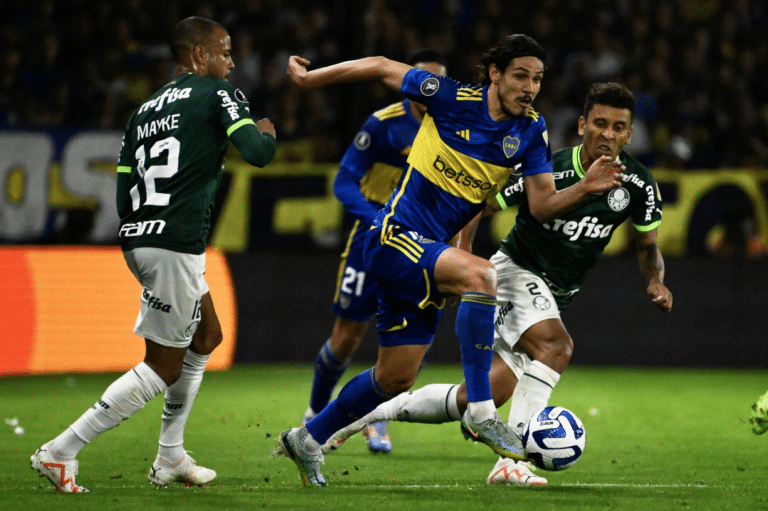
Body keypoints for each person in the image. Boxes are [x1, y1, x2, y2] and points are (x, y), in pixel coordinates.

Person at [276, 35, 626, 487]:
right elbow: (382, 65)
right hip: (393, 238)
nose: (530, 87)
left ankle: (307, 439)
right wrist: (310, 79)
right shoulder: (449, 96)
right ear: (495, 74)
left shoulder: (530, 131)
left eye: (537, 79)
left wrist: (585, 187)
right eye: (521, 75)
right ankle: (481, 411)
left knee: (394, 377)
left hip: (426, 258)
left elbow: (541, 205)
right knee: (482, 274)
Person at [322, 82, 673, 486]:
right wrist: (464, 257)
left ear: (629, 134)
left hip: (552, 297)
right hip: (515, 272)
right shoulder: (548, 168)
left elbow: (648, 245)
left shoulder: (640, 185)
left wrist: (656, 280)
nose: (607, 134)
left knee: (477, 399)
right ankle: (513, 463)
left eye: (618, 127)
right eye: (599, 123)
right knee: (556, 346)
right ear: (581, 126)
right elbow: (481, 204)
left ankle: (365, 414)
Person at [30, 16, 276, 493]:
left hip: (141, 238)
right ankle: (61, 451)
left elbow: (122, 194)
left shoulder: (143, 110)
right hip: (175, 243)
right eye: (224, 52)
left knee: (206, 335)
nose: (232, 61)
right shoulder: (217, 94)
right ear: (199, 56)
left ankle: (170, 454)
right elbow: (257, 153)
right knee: (163, 366)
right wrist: (264, 130)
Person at [303, 50, 447, 455]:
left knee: (400, 343)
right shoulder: (384, 125)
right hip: (373, 240)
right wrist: (375, 218)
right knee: (347, 337)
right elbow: (345, 181)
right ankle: (315, 411)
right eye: (423, 82)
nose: (430, 92)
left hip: (422, 246)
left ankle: (372, 419)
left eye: (438, 84)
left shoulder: (450, 126)